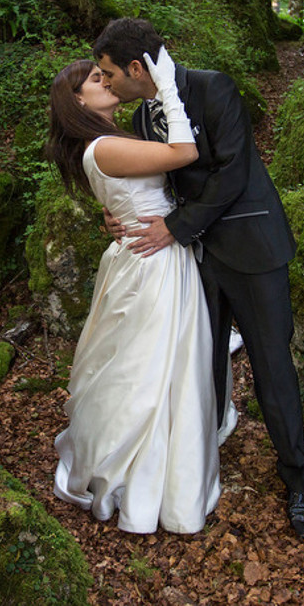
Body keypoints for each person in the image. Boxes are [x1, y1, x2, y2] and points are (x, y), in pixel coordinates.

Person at [93, 17, 304, 537]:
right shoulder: (145, 116)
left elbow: (233, 171)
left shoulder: (213, 87)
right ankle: (202, 457)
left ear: (136, 68)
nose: (106, 82)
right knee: (202, 360)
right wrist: (117, 214)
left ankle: (298, 477)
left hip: (252, 248)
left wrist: (175, 227)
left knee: (271, 365)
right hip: (193, 258)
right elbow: (152, 180)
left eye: (109, 73)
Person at [46, 57, 221, 534]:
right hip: (153, 261)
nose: (107, 81)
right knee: (152, 368)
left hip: (147, 251)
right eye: (96, 79)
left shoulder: (109, 140)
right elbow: (183, 153)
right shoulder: (105, 146)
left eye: (105, 74)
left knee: (157, 365)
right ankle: (143, 476)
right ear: (79, 100)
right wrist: (166, 85)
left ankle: (161, 458)